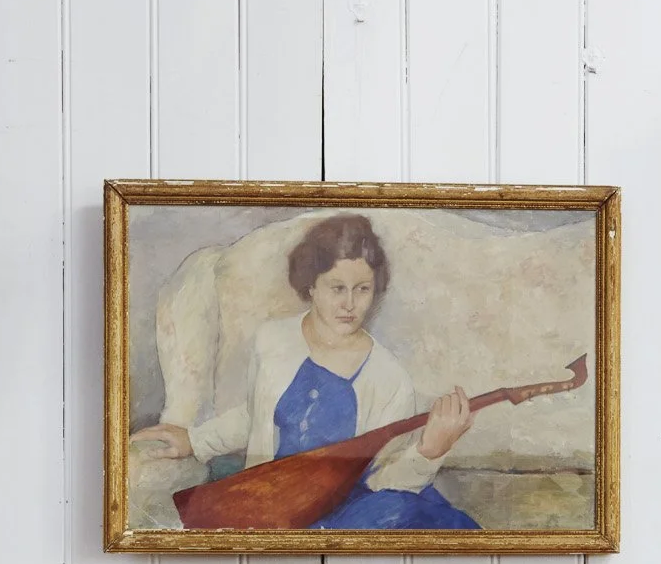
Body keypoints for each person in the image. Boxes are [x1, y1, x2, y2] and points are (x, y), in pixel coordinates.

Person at [132, 213, 479, 530]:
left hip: (355, 510)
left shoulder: (389, 380)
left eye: (363, 289)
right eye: (336, 288)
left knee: (394, 510)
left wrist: (429, 451)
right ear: (311, 285)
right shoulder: (273, 341)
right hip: (273, 502)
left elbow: (385, 484)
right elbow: (255, 416)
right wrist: (194, 441)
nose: (349, 304)